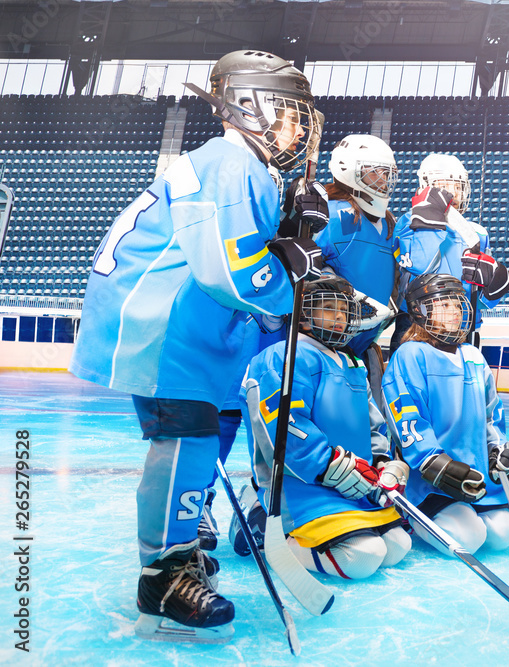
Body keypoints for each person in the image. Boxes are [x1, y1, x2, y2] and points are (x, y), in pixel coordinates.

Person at [69, 50, 329, 642]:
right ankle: (164, 573)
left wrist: (289, 239)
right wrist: (295, 280)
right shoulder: (233, 164)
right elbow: (232, 277)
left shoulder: (242, 167)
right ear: (249, 107)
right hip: (158, 324)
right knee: (185, 433)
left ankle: (178, 549)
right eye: (288, 112)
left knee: (202, 430)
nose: (298, 127)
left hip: (178, 323)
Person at [235, 277, 411, 579]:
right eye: (329, 309)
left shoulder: (352, 362)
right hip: (303, 487)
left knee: (397, 545)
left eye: (343, 310)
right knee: (363, 557)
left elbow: (372, 426)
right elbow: (284, 426)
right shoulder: (283, 357)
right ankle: (259, 524)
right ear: (302, 314)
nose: (340, 317)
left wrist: (383, 463)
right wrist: (330, 466)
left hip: (357, 486)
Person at [381, 273, 509, 555]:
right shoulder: (410, 354)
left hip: (477, 476)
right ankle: (410, 517)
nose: (454, 312)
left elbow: (491, 414)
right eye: (444, 305)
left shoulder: (473, 356)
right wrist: (435, 464)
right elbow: (407, 419)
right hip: (430, 483)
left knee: (503, 534)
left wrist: (497, 450)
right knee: (468, 538)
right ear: (421, 311)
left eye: (458, 306)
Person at [390, 154, 509, 353]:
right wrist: (428, 217)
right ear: (427, 185)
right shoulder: (408, 221)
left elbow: (479, 298)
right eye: (445, 186)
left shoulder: (476, 232)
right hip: (418, 324)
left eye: (458, 186)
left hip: (462, 325)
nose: (454, 194)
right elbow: (421, 264)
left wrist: (494, 289)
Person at [313, 134, 400, 415]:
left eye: (386, 173)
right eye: (375, 172)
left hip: (366, 347)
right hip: (327, 346)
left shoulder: (389, 224)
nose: (383, 179)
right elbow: (305, 268)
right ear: (349, 170)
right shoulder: (333, 214)